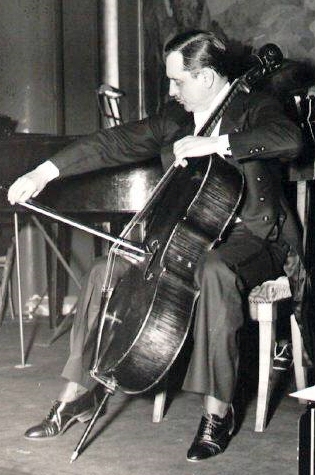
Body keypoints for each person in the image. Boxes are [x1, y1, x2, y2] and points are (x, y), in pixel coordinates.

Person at [8, 30, 308, 462]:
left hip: (253, 238)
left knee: (215, 271)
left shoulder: (255, 106)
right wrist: (44, 173)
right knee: (102, 271)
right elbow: (113, 143)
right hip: (186, 235)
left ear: (205, 77)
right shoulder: (175, 118)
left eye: (177, 81)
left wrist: (217, 143)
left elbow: (290, 139)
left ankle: (216, 414)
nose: (171, 91)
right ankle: (77, 396)